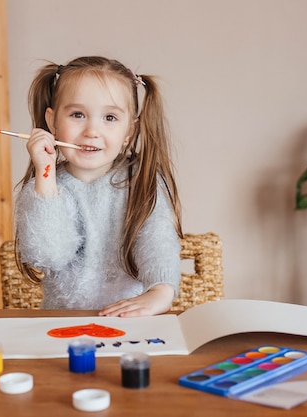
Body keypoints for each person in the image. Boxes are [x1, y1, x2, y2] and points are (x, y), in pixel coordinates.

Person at [15, 56, 182, 317]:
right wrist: (44, 171)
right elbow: (47, 255)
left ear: (130, 130)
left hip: (129, 318)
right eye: (77, 114)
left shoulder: (143, 181)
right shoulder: (45, 186)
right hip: (62, 322)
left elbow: (157, 240)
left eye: (110, 117)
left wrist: (160, 292)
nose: (92, 130)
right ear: (52, 122)